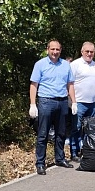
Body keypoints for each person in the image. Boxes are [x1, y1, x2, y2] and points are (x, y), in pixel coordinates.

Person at [29, 39, 77, 175]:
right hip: (46, 102)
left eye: (57, 49)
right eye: (52, 49)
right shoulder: (40, 64)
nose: (55, 52)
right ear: (47, 50)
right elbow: (34, 85)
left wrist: (73, 101)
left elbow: (70, 84)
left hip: (62, 102)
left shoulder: (65, 65)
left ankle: (60, 158)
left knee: (61, 133)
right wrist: (33, 104)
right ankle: (40, 163)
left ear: (60, 51)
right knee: (43, 134)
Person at [69, 42, 95, 161]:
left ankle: (86, 150)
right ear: (82, 52)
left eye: (91, 52)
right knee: (76, 128)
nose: (89, 54)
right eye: (87, 51)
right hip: (79, 102)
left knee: (90, 129)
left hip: (92, 103)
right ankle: (74, 152)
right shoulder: (75, 64)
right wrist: (73, 101)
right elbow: (70, 84)